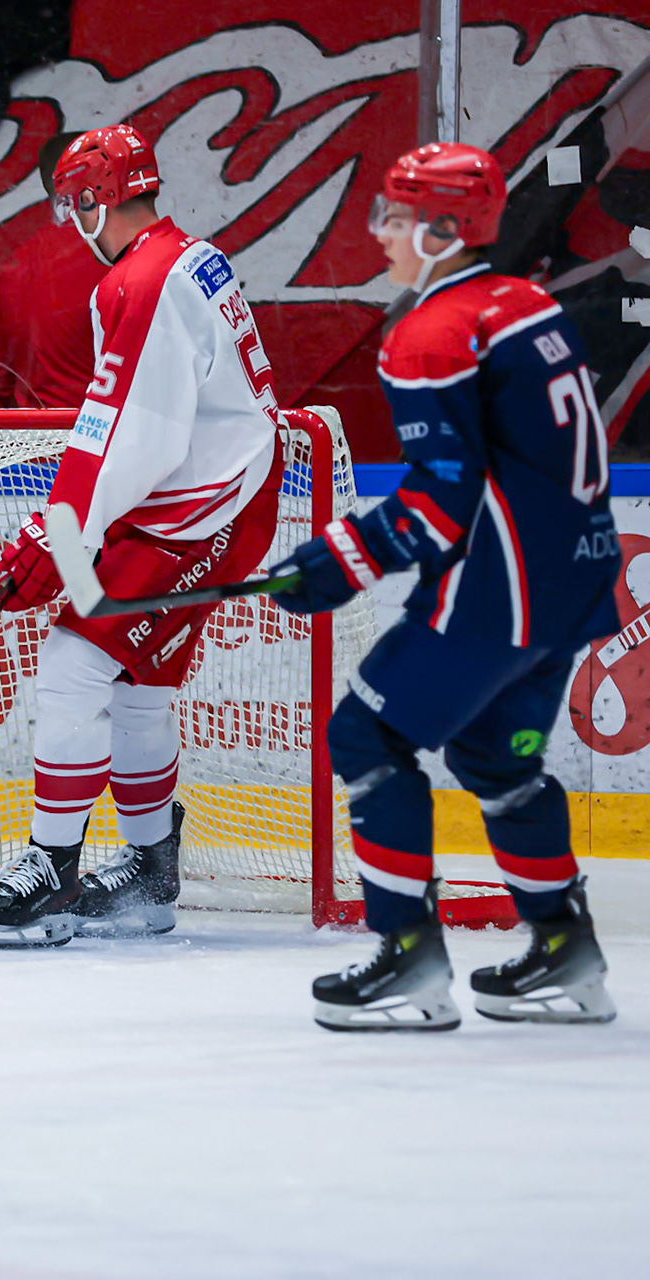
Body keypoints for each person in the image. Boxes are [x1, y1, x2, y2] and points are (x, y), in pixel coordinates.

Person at [270, 143, 622, 1031]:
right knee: (495, 759)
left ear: (440, 229)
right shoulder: (530, 304)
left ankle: (410, 961)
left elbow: (437, 501)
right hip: (576, 579)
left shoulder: (432, 333)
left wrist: (335, 561)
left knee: (365, 736)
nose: (381, 233)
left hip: (501, 589)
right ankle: (566, 951)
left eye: (394, 217)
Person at [0, 124, 286, 949]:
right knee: (138, 683)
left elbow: (130, 436)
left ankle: (53, 870)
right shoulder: (186, 257)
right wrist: (70, 534)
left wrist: (55, 533)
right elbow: (136, 432)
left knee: (74, 663)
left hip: (198, 511)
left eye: (70, 204)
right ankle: (150, 870)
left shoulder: (137, 283)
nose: (69, 220)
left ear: (91, 200)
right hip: (206, 497)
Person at [0, 131, 105, 409]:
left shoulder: (14, 266)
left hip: (40, 429)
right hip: (106, 428)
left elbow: (0, 381)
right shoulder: (111, 252)